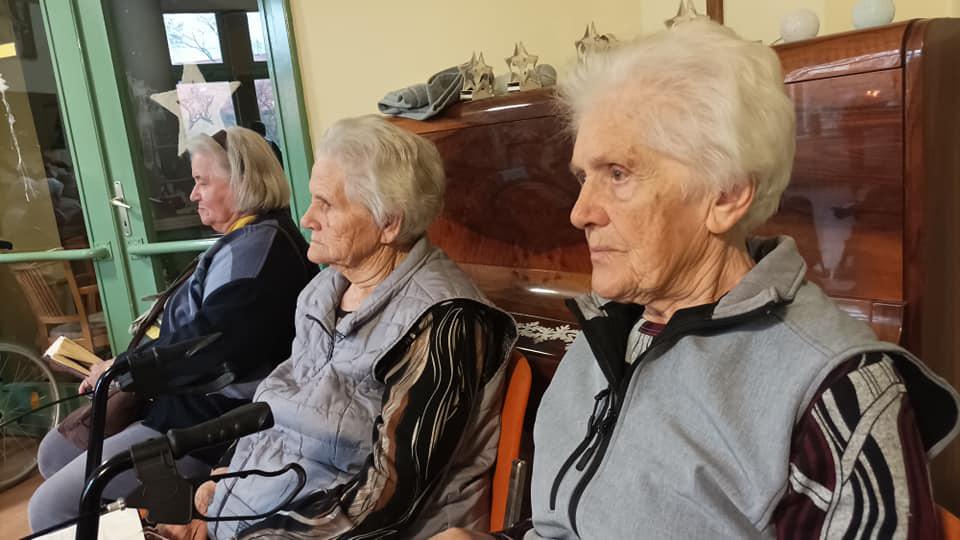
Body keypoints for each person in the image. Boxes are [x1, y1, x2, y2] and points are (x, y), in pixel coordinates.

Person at [435, 19, 960, 540]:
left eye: (617, 173)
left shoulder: (838, 391)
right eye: (582, 177)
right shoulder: (610, 328)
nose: (580, 212)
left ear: (726, 196)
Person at [158, 115, 517, 540]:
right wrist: (219, 488)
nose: (306, 218)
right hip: (251, 512)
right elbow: (279, 405)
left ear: (389, 222)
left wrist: (250, 535)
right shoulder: (323, 291)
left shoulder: (445, 321)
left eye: (326, 204)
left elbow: (385, 498)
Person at [28, 126, 317, 533]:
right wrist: (125, 365)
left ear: (242, 182)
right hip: (178, 406)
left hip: (208, 426)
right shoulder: (248, 239)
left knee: (48, 509)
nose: (193, 195)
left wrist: (126, 371)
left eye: (202, 182)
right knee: (54, 454)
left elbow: (211, 347)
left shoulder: (259, 248)